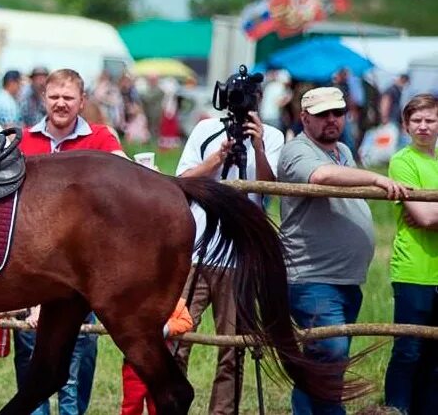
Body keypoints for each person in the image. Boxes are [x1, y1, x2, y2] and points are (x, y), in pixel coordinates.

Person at [278, 86, 410, 415]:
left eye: (337, 113)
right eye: (323, 115)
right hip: (311, 277)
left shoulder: (343, 152)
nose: (332, 120)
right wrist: (376, 179)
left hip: (346, 279)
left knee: (325, 360)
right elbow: (320, 176)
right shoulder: (298, 150)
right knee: (331, 351)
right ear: (304, 118)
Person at [15, 68, 125, 415]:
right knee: (30, 348)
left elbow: (125, 187)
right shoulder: (23, 141)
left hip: (84, 270)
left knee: (80, 348)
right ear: (43, 99)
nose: (60, 104)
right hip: (31, 267)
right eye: (54, 97)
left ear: (82, 101)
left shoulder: (102, 139)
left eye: (68, 98)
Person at [173, 73, 284, 415]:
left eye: (248, 97)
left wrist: (260, 147)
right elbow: (180, 180)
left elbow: (269, 189)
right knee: (175, 340)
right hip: (196, 251)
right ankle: (172, 404)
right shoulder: (206, 130)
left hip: (239, 257)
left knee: (232, 348)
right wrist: (216, 160)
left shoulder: (273, 136)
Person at [383, 93, 438, 414]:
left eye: (430, 120)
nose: (423, 126)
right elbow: (425, 217)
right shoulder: (402, 161)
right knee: (408, 351)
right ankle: (397, 410)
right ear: (405, 125)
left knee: (435, 358)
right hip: (413, 270)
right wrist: (425, 212)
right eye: (416, 120)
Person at [381, 74, 411, 147]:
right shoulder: (391, 89)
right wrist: (384, 117)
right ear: (403, 80)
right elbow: (385, 102)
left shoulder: (397, 90)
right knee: (390, 138)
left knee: (394, 138)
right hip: (391, 118)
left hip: (395, 118)